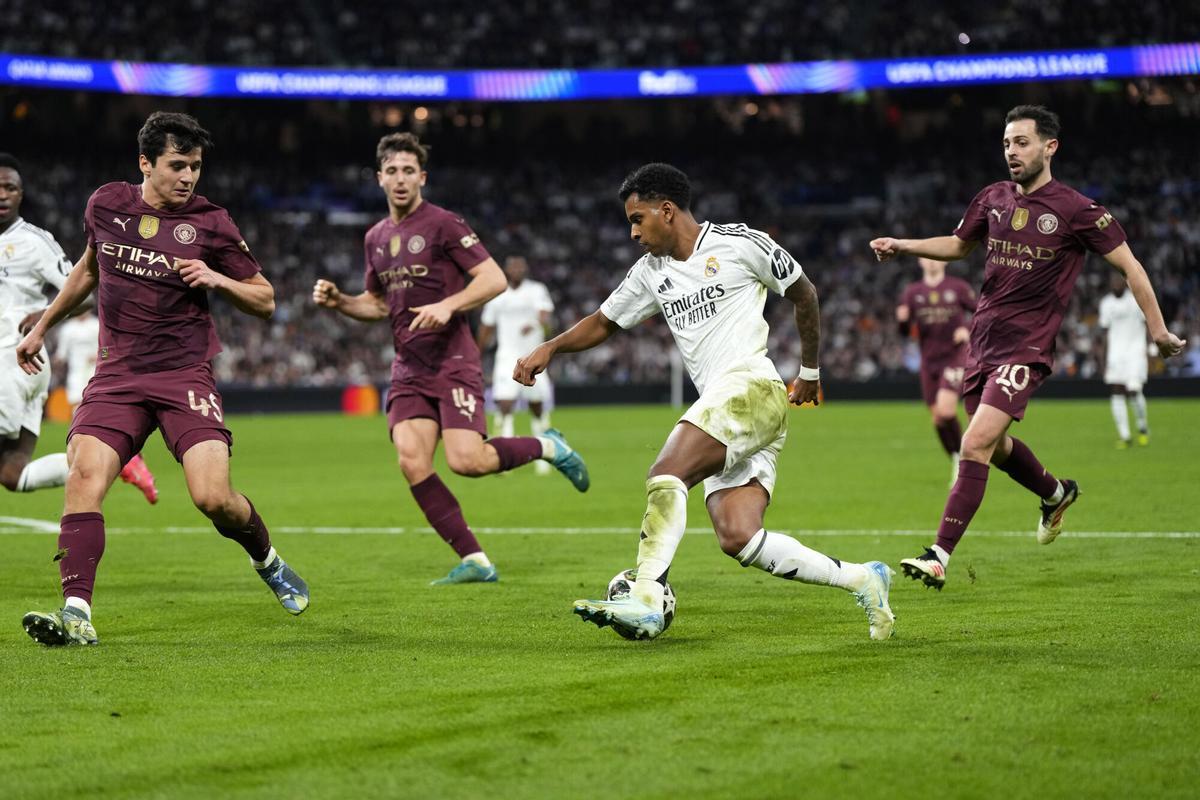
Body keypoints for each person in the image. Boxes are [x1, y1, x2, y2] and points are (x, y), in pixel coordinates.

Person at [514, 162, 895, 641]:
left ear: (667, 211)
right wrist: (550, 347)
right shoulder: (650, 273)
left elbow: (804, 292)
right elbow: (604, 321)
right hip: (728, 409)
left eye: (637, 219)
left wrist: (811, 373)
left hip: (750, 388)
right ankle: (864, 578)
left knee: (665, 473)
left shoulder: (739, 243)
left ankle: (647, 595)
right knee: (739, 537)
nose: (632, 232)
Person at [16, 112, 309, 646]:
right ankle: (76, 610)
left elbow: (265, 299)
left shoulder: (212, 222)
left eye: (196, 166)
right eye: (178, 165)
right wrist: (41, 327)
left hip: (183, 376)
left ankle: (265, 558)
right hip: (117, 376)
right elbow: (88, 269)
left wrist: (218, 279)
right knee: (84, 477)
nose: (189, 176)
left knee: (212, 497)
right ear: (145, 163)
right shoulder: (105, 204)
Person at [869, 105, 1186, 590]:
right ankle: (1056, 493)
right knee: (993, 447)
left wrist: (1158, 330)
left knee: (973, 442)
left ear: (1049, 147)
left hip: (1026, 348)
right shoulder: (992, 198)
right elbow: (958, 246)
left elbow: (1131, 267)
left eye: (1021, 143)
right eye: (1006, 144)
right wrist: (903, 245)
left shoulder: (1078, 210)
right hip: (982, 344)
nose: (1011, 152)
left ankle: (938, 554)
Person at [312, 132, 589, 585]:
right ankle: (476, 560)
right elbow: (378, 304)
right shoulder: (376, 238)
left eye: (409, 171)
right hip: (408, 368)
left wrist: (449, 304)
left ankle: (549, 446)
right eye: (392, 172)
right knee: (411, 460)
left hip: (452, 360)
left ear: (422, 176)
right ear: (380, 178)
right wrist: (341, 301)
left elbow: (494, 278)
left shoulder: (443, 224)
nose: (400, 179)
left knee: (467, 461)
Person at [0, 152, 73, 495]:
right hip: (23, 369)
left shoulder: (34, 240)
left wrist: (44, 316)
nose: (2, 194)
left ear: (21, 194)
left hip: (13, 361)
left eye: (9, 188)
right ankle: (106, 460)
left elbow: (82, 291)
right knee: (12, 474)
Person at [55, 308, 159, 502]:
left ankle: (127, 464)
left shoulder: (97, 324)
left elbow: (106, 347)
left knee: (86, 427)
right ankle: (130, 463)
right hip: (75, 378)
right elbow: (62, 355)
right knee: (82, 430)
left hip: (96, 376)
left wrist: (99, 357)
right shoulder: (67, 329)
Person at [896, 257, 976, 484]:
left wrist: (966, 328)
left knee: (947, 411)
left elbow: (981, 311)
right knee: (938, 420)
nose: (931, 262)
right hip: (928, 361)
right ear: (920, 262)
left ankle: (965, 459)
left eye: (936, 257)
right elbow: (903, 331)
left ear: (944, 261)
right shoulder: (912, 292)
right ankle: (957, 458)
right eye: (927, 258)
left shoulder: (958, 287)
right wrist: (902, 322)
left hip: (954, 356)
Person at [477, 255, 556, 475]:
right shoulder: (497, 294)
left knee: (537, 406)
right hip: (507, 356)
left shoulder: (536, 290)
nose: (517, 270)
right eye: (513, 266)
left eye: (521, 266)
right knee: (504, 404)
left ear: (526, 269)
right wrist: (476, 354)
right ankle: (503, 460)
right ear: (507, 270)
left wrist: (533, 323)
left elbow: (545, 314)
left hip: (534, 356)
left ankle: (546, 455)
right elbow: (486, 326)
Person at [1098, 274, 1151, 448]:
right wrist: (1103, 359)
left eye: (1118, 280)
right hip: (1116, 354)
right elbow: (1105, 333)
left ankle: (1142, 427)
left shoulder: (1136, 300)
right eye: (1112, 281)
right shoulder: (1106, 304)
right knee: (1117, 391)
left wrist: (1152, 347)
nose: (1115, 284)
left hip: (1135, 352)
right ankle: (1125, 436)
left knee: (1134, 390)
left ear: (1125, 282)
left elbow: (1147, 323)